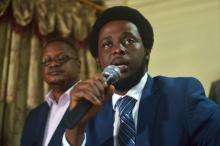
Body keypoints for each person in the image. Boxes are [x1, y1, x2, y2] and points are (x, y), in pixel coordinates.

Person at [64, 6, 220, 146]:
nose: (118, 49)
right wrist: (76, 129)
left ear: (147, 50)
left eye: (129, 40)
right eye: (107, 44)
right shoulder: (88, 110)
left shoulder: (181, 94)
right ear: (98, 60)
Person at [21, 37, 81, 146]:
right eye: (46, 60)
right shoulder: (34, 115)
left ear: (78, 65)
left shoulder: (95, 102)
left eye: (61, 58)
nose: (53, 64)